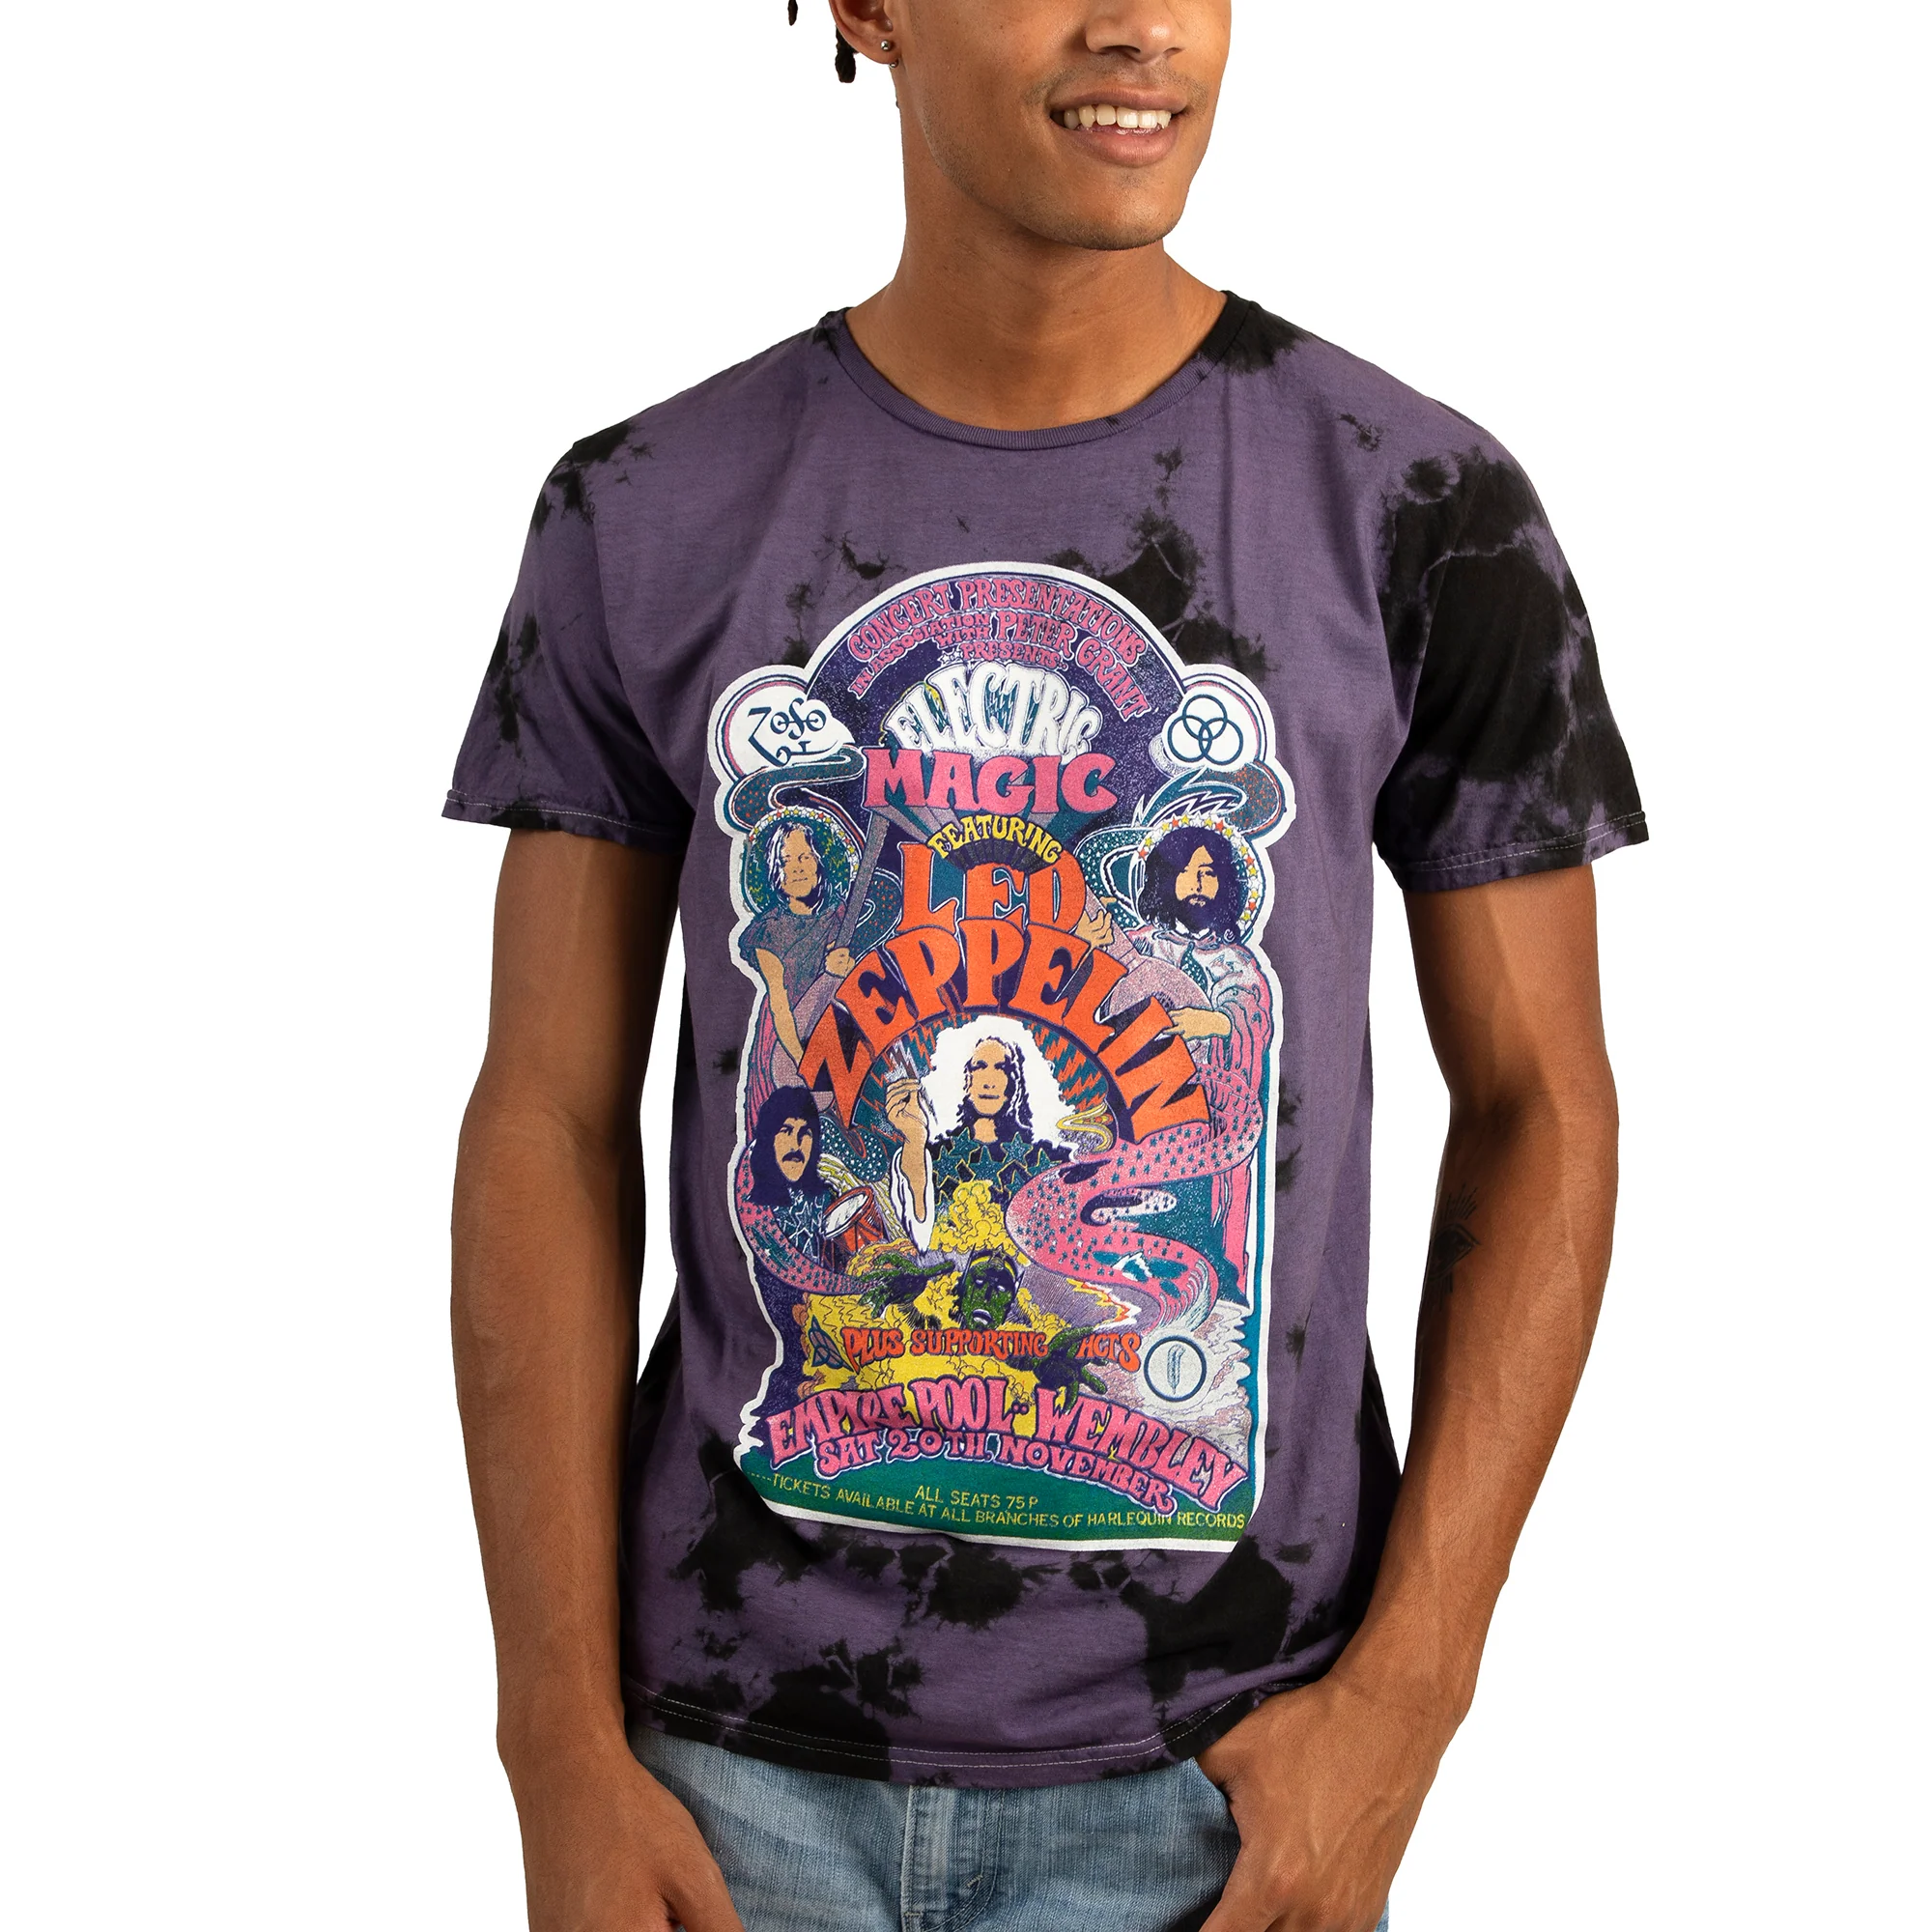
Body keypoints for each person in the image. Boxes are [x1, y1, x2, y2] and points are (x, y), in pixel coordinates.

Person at [445, 6, 1645, 1930]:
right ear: (866, 7)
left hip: (1216, 1787)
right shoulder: (645, 507)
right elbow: (546, 1125)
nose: (1141, 24)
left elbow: (1542, 1108)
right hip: (721, 1778)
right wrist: (556, 1749)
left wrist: (1403, 1707)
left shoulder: (1415, 506)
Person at [885, 1032, 1065, 1250]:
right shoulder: (935, 1156)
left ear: (1015, 1082)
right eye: (979, 1067)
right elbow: (920, 1237)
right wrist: (914, 1138)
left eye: (1001, 1068)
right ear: (965, 1078)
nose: (989, 1082)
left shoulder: (1042, 1160)